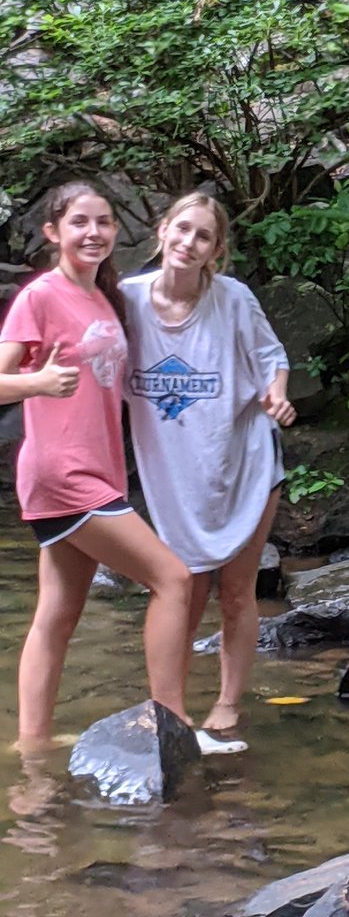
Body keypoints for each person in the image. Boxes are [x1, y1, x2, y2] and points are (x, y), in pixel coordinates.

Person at [0, 181, 193, 750]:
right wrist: (35, 382)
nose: (94, 233)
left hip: (98, 470)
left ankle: (31, 745)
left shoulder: (104, 296)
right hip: (63, 474)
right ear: (53, 232)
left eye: (104, 222)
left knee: (57, 615)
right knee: (173, 579)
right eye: (80, 222)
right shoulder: (41, 295)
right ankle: (172, 723)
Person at [121, 193, 296, 746]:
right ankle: (167, 708)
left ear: (215, 250)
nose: (188, 243)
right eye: (182, 230)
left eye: (202, 237)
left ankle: (226, 701)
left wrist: (277, 396)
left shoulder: (233, 300)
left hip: (243, 462)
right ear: (162, 231)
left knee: (238, 593)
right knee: (179, 591)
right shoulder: (124, 300)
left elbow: (273, 360)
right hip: (175, 476)